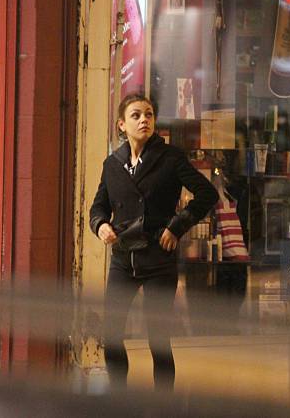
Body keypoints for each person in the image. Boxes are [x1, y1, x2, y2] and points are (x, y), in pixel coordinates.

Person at [90, 93, 218, 390]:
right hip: (123, 258)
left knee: (158, 339)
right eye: (135, 115)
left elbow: (207, 194)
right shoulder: (113, 163)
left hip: (159, 257)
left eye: (148, 114)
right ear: (122, 124)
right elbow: (98, 206)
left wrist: (176, 226)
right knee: (111, 335)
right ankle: (119, 399)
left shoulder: (170, 157)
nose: (143, 120)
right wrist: (101, 226)